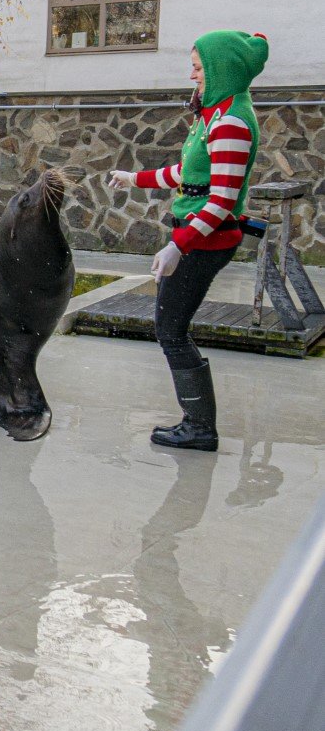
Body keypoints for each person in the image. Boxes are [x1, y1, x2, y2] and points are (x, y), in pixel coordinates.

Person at [108, 30, 268, 451]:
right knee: (172, 326)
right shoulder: (214, 115)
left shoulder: (232, 122)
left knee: (171, 329)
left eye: (199, 67)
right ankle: (197, 423)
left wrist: (178, 244)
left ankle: (199, 427)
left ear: (221, 70)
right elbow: (185, 174)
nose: (193, 73)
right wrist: (134, 178)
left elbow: (221, 201)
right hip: (196, 235)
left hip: (206, 240)